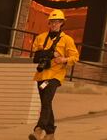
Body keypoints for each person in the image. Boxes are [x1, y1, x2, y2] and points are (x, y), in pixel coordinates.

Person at [30, 8, 78, 140]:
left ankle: (38, 130)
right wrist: (51, 54)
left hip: (56, 75)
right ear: (49, 23)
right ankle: (50, 133)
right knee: (46, 103)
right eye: (52, 22)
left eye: (57, 22)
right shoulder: (41, 38)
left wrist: (63, 59)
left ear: (62, 23)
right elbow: (36, 56)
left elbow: (75, 58)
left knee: (46, 101)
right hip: (42, 76)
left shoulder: (67, 40)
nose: (54, 24)